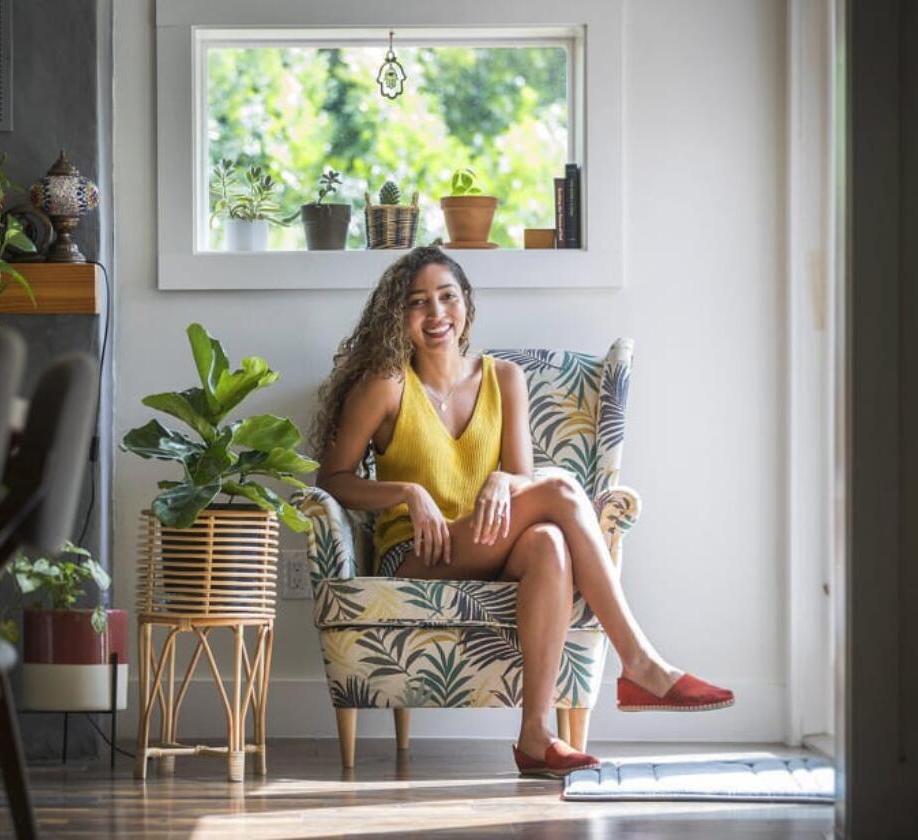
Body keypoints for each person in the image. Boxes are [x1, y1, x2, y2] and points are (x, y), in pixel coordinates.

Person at [311, 246, 733, 777]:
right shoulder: (388, 385)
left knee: (549, 543)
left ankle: (536, 735)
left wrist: (501, 481)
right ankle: (640, 662)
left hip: (492, 541)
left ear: (467, 304)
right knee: (558, 490)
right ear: (398, 317)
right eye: (418, 303)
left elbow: (519, 473)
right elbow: (333, 480)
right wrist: (406, 494)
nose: (436, 314)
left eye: (447, 297)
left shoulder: (504, 378)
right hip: (420, 553)